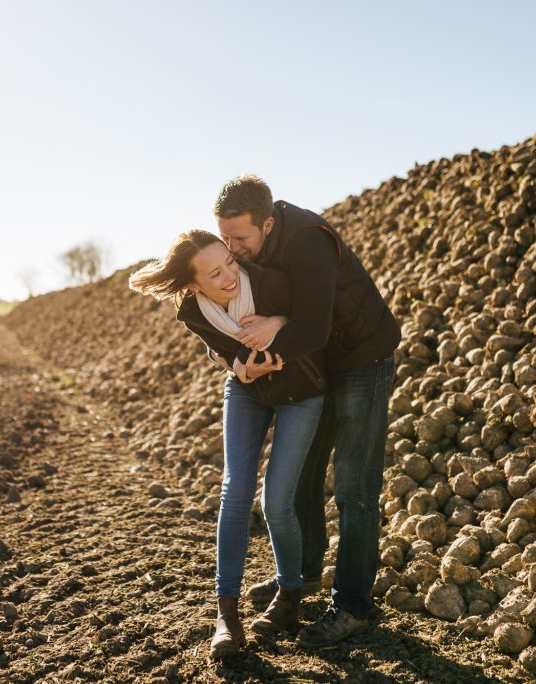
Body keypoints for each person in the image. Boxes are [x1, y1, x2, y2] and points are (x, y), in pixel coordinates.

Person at [213, 174, 401, 648]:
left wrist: (266, 348)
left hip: (361, 359)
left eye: (240, 238)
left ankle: (354, 607)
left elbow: (312, 329)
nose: (231, 249)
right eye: (224, 237)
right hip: (318, 368)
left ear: (269, 224)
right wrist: (236, 351)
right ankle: (303, 575)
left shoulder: (307, 241)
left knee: (354, 489)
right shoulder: (247, 252)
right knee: (300, 478)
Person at [128, 230, 326, 658]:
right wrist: (242, 370)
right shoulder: (191, 311)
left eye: (229, 263)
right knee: (235, 491)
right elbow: (220, 351)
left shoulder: (270, 280)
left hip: (300, 391)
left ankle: (290, 596)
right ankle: (227, 616)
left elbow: (313, 322)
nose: (229, 275)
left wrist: (279, 323)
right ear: (193, 285)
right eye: (215, 273)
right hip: (247, 391)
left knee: (276, 502)